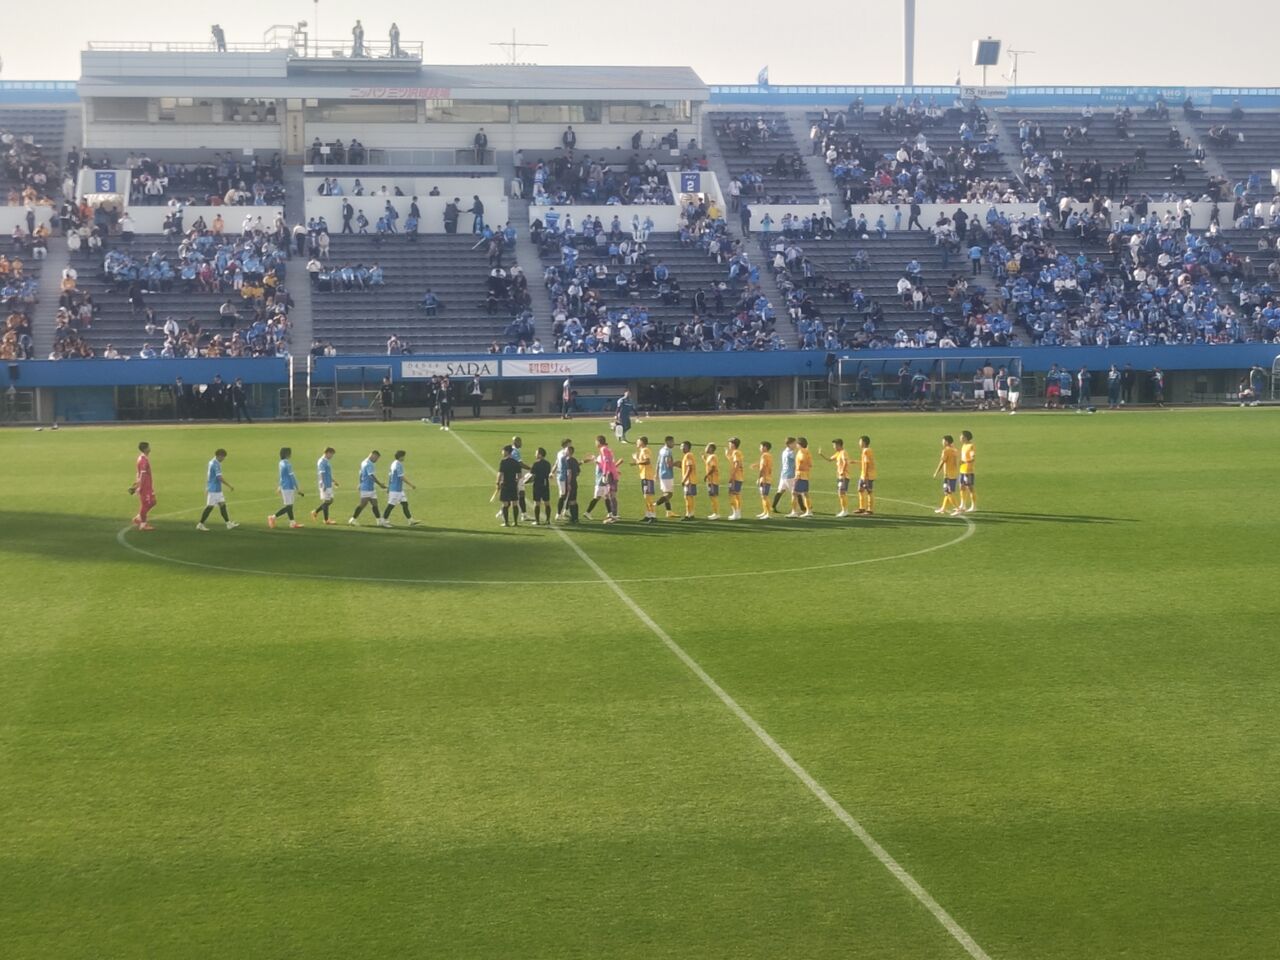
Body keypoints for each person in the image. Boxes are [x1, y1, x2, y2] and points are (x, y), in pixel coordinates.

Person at [196, 448, 239, 530]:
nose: (224, 459)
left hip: (215, 489)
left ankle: (228, 524)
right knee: (210, 507)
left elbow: (210, 475)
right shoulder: (216, 464)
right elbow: (219, 477)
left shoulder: (211, 461)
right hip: (214, 490)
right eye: (223, 457)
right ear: (219, 456)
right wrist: (229, 485)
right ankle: (200, 524)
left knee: (222, 505)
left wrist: (207, 485)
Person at [583, 434, 620, 523]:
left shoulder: (603, 450)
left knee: (608, 496)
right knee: (607, 496)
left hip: (605, 477)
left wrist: (604, 474)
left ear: (599, 442)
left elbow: (605, 464)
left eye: (596, 442)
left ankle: (612, 515)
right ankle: (611, 514)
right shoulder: (605, 451)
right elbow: (607, 464)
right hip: (608, 476)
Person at [350, 450, 390, 527]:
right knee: (362, 504)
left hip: (370, 488)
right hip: (366, 488)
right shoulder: (369, 464)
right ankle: (353, 519)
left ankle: (379, 521)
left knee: (375, 504)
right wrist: (380, 484)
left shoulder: (364, 462)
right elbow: (371, 476)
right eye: (377, 458)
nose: (377, 460)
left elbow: (361, 473)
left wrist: (360, 483)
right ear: (373, 455)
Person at [268, 447, 305, 529]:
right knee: (288, 506)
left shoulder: (280, 463)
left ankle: (292, 523)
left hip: (285, 486)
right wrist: (297, 488)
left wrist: (280, 486)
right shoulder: (287, 464)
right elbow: (292, 477)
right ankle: (273, 517)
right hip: (288, 487)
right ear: (287, 454)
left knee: (289, 506)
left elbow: (282, 476)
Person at [495, 444, 530, 526]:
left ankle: (506, 522)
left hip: (505, 485)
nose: (502, 452)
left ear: (507, 452)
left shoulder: (503, 462)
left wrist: (497, 483)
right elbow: (519, 475)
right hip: (513, 485)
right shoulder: (516, 462)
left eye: (503, 451)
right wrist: (516, 482)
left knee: (505, 504)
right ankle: (515, 522)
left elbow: (500, 474)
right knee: (515, 503)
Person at [384, 450, 419, 525]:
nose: (404, 458)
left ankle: (410, 520)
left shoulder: (393, 463)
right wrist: (411, 485)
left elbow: (390, 476)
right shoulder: (398, 464)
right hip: (396, 490)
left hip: (398, 489)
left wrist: (389, 487)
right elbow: (401, 477)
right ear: (400, 457)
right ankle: (384, 520)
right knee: (391, 505)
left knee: (405, 504)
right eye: (403, 456)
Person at [819, 438, 851, 517]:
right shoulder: (838, 453)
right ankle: (844, 510)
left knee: (841, 492)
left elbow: (845, 462)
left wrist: (842, 471)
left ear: (839, 445)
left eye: (834, 445)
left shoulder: (843, 452)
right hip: (840, 476)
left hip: (844, 476)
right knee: (841, 493)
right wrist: (821, 454)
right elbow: (830, 459)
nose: (833, 447)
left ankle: (845, 510)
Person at [129, 441, 157, 530]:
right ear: (145, 449)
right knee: (146, 504)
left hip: (147, 485)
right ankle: (143, 524)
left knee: (153, 502)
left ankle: (138, 518)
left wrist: (137, 482)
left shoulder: (142, 458)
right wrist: (139, 486)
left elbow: (138, 473)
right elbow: (142, 474)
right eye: (148, 447)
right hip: (145, 486)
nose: (150, 448)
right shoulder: (143, 461)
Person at [933, 435, 961, 516]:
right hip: (954, 474)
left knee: (949, 493)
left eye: (943, 440)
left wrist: (936, 472)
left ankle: (958, 508)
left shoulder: (946, 450)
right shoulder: (954, 450)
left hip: (948, 475)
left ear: (946, 442)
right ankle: (943, 508)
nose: (942, 442)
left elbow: (942, 462)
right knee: (947, 492)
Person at [632, 436, 657, 523]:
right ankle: (648, 515)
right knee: (646, 497)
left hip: (647, 476)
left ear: (642, 442)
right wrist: (636, 459)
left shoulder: (645, 450)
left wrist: (636, 461)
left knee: (648, 496)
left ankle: (653, 516)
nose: (636, 443)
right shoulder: (642, 451)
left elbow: (647, 461)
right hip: (644, 476)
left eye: (638, 441)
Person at [311, 447, 338, 524]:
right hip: (325, 484)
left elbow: (327, 473)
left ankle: (316, 512)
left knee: (329, 500)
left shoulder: (326, 461)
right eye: (332, 454)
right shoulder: (322, 461)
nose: (332, 456)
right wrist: (324, 484)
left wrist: (333, 481)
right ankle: (325, 519)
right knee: (327, 501)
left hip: (328, 483)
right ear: (328, 453)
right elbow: (321, 473)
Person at [528, 447, 553, 525]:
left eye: (536, 453)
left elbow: (532, 475)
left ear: (540, 454)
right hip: (545, 484)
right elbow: (548, 473)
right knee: (547, 502)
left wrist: (527, 481)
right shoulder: (548, 463)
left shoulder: (535, 464)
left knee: (537, 503)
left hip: (537, 484)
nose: (535, 454)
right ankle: (548, 520)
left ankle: (537, 521)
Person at [654, 435, 677, 519]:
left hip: (662, 474)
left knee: (665, 493)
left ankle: (669, 512)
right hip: (667, 475)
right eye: (672, 442)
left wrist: (656, 473)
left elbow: (658, 462)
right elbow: (668, 464)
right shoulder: (668, 451)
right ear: (668, 442)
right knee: (669, 494)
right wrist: (677, 464)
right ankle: (655, 504)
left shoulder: (661, 450)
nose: (673, 443)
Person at [773, 437, 797, 516]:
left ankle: (773, 506)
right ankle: (803, 508)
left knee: (781, 490)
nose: (795, 445)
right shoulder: (791, 453)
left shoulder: (784, 451)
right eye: (794, 443)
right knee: (795, 492)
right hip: (790, 475)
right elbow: (796, 463)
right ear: (789, 444)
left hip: (783, 474)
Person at [724, 437, 745, 520]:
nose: (728, 444)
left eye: (730, 443)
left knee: (732, 495)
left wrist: (732, 476)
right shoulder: (737, 452)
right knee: (736, 495)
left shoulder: (735, 452)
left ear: (733, 444)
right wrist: (727, 455)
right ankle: (738, 513)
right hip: (739, 477)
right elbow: (734, 461)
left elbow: (737, 464)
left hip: (735, 477)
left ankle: (735, 513)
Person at [793, 437, 814, 517]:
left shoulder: (801, 452)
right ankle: (808, 511)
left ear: (799, 444)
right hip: (806, 476)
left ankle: (794, 512)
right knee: (805, 493)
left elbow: (801, 462)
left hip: (800, 475)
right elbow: (810, 464)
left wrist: (798, 469)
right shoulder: (807, 452)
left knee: (794, 493)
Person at [855, 435, 876, 515]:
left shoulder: (866, 451)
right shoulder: (867, 450)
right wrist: (856, 462)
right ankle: (862, 508)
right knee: (860, 489)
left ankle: (870, 509)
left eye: (860, 441)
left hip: (868, 475)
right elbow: (865, 462)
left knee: (869, 491)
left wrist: (865, 476)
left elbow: (867, 464)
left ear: (863, 442)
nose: (859, 443)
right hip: (864, 474)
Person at [957, 430, 976, 513]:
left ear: (965, 437)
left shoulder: (971, 446)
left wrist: (964, 461)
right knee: (961, 486)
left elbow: (972, 458)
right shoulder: (964, 446)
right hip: (962, 469)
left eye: (961, 436)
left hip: (968, 470)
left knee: (970, 488)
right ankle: (962, 504)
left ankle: (973, 506)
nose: (960, 437)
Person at [561, 445, 582, 523]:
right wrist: (574, 477)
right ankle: (575, 517)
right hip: (574, 482)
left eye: (566, 450)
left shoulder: (568, 461)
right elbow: (578, 472)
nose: (564, 451)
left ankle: (574, 518)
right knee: (574, 500)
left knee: (571, 501)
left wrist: (569, 483)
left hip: (570, 483)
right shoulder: (574, 460)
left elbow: (569, 472)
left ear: (569, 452)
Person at [755, 440, 774, 520]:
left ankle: (768, 513)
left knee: (765, 496)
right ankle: (765, 511)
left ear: (765, 447)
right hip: (767, 478)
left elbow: (762, 468)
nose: (760, 448)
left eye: (761, 446)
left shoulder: (764, 456)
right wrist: (757, 465)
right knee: (763, 496)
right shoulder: (768, 455)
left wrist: (759, 478)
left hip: (765, 479)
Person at [554, 438, 573, 520]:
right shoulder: (564, 455)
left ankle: (566, 510)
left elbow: (556, 463)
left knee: (567, 493)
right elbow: (567, 467)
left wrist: (552, 472)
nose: (571, 446)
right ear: (565, 445)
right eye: (569, 444)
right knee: (563, 495)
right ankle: (558, 514)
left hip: (563, 476)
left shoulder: (560, 453)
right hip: (563, 477)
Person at [679, 440, 698, 521]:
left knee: (688, 497)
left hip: (689, 481)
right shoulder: (688, 455)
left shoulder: (688, 455)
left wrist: (684, 479)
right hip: (690, 480)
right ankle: (691, 514)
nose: (681, 448)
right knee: (689, 497)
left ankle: (689, 514)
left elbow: (689, 468)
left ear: (687, 447)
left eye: (682, 446)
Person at [703, 443, 721, 520]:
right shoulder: (710, 457)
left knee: (713, 497)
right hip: (710, 480)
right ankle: (715, 513)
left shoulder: (713, 457)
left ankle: (716, 513)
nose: (706, 448)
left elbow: (713, 468)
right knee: (712, 497)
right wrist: (704, 459)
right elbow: (709, 466)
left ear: (711, 448)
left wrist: (706, 475)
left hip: (713, 480)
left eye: (707, 447)